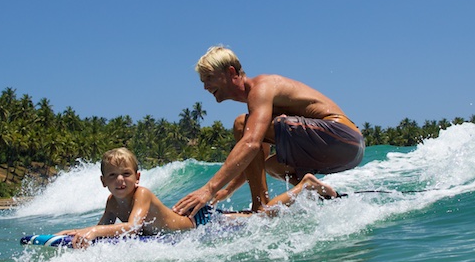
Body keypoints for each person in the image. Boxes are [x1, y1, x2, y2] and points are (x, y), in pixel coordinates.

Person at [173, 45, 364, 219]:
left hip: (341, 135)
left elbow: (250, 143)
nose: (205, 86)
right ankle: (314, 190)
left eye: (209, 78)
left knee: (241, 124)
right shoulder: (260, 112)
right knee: (272, 165)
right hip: (346, 149)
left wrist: (209, 189)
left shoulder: (261, 88)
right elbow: (253, 157)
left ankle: (260, 207)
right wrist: (227, 190)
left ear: (231, 72)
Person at [59, 147, 340, 248]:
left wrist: (93, 232)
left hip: (201, 224)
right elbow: (105, 223)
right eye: (112, 176)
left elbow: (130, 227)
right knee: (255, 216)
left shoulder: (141, 195)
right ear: (103, 181)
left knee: (260, 217)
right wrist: (76, 232)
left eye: (126, 174)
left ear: (138, 177)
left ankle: (305, 186)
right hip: (190, 224)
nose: (120, 180)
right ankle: (304, 188)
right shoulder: (111, 202)